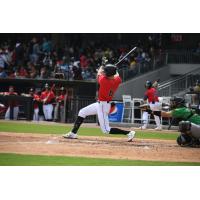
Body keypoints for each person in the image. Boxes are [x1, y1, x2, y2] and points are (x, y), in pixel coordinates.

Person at [63, 64, 135, 142]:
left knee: (106, 130)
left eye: (106, 72)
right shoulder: (118, 80)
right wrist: (112, 68)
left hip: (103, 106)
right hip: (101, 104)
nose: (105, 73)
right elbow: (116, 74)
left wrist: (102, 67)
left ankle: (129, 133)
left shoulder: (104, 81)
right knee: (82, 112)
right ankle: (73, 133)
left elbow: (99, 73)